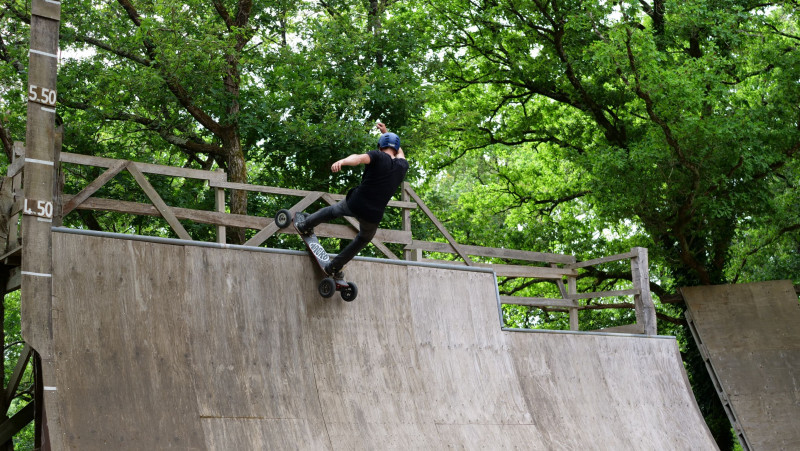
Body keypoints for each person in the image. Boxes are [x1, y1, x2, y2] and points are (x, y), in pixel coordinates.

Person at [294, 122, 409, 277]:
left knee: (333, 211)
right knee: (363, 238)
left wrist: (342, 162)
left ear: (380, 146)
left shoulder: (377, 155)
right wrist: (387, 134)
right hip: (373, 214)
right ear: (395, 150)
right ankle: (334, 266)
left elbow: (358, 159)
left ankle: (304, 225)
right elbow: (399, 151)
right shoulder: (402, 166)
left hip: (357, 202)